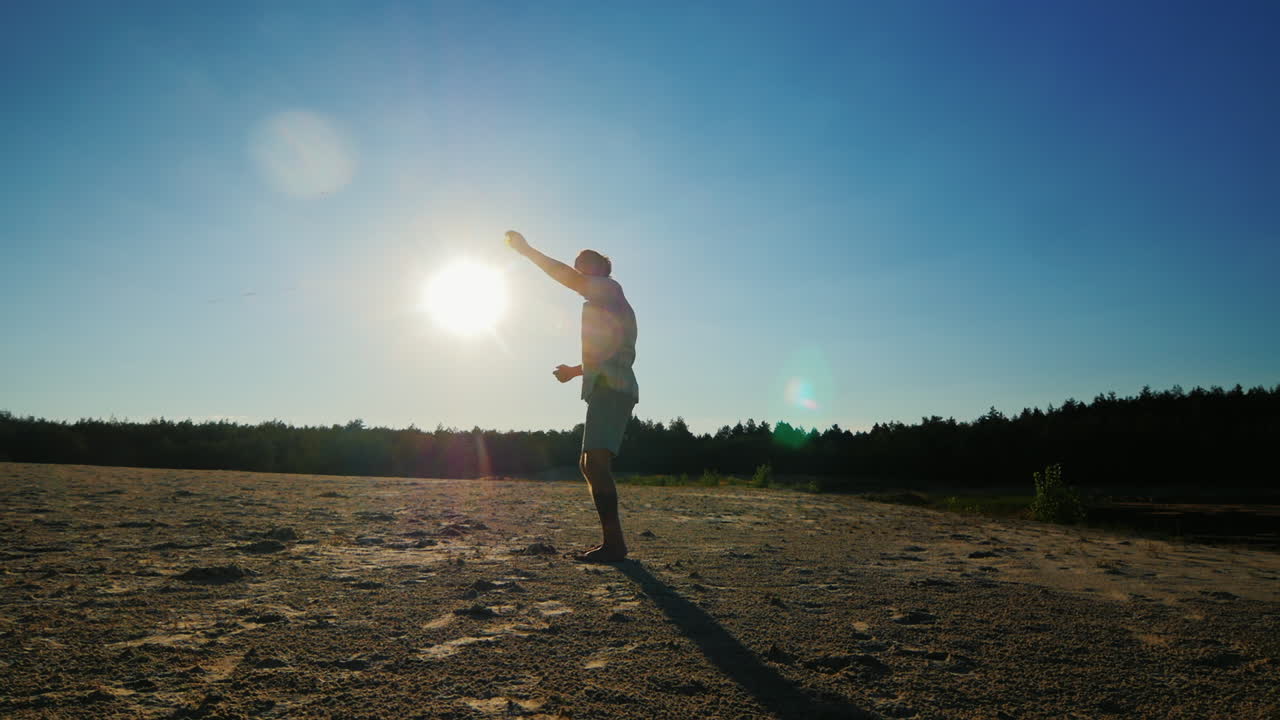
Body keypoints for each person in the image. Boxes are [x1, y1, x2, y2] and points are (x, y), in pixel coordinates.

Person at [505, 230, 638, 562]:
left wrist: (528, 251)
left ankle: (615, 545)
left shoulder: (608, 288)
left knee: (595, 462)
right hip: (606, 384)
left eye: (582, 266)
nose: (578, 271)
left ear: (598, 269)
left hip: (613, 386)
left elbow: (563, 276)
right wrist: (575, 371)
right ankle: (613, 542)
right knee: (588, 464)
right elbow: (607, 352)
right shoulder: (602, 304)